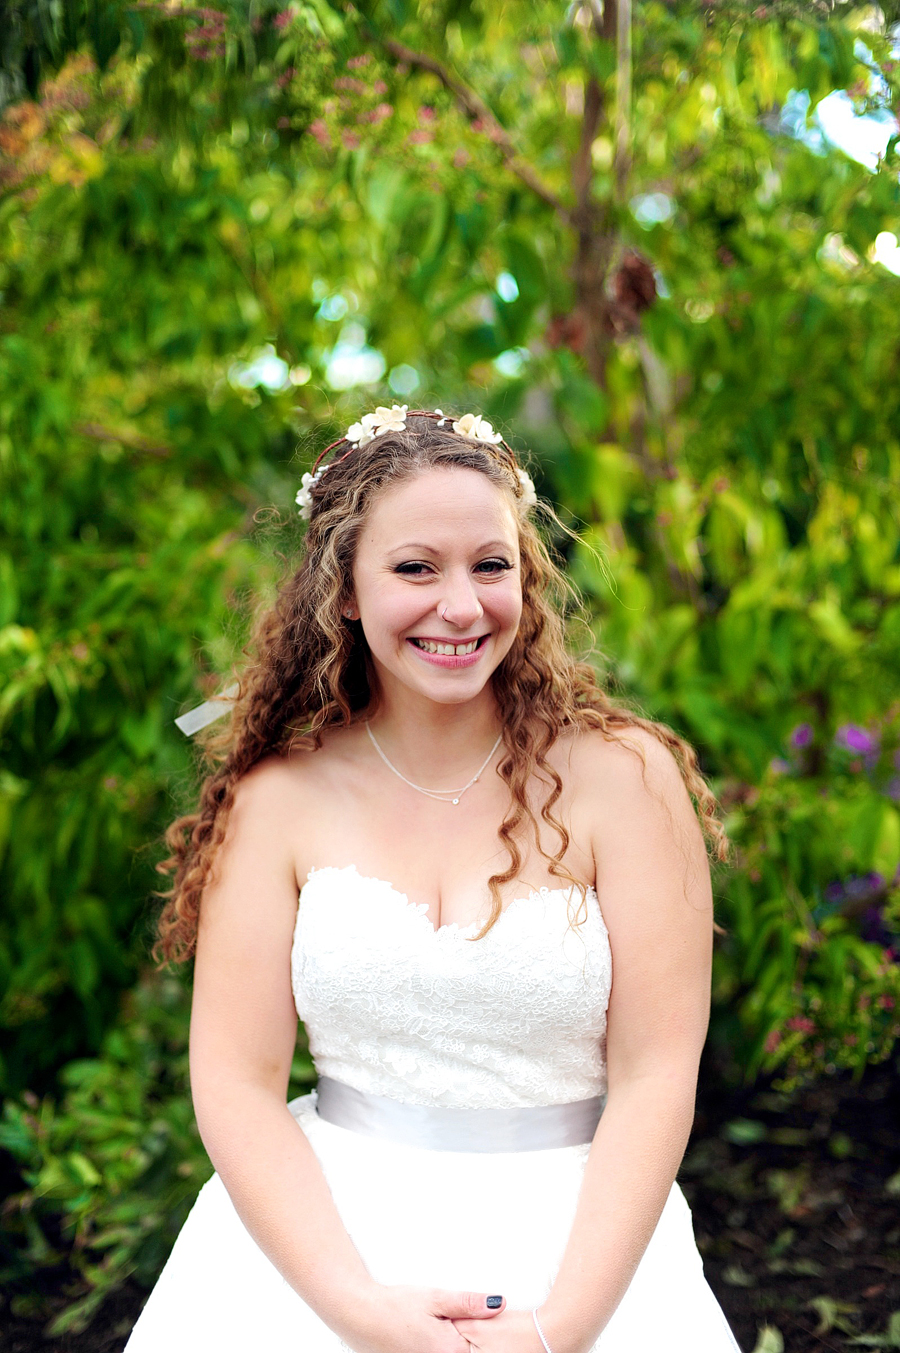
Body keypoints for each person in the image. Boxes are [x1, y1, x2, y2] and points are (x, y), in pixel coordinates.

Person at [125, 407, 742, 1353]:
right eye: (416, 568)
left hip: (581, 1249)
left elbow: (658, 1072)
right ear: (345, 591)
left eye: (490, 566)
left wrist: (559, 1327)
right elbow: (235, 1082)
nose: (461, 606)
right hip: (322, 1256)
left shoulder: (626, 779)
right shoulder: (278, 798)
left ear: (526, 582)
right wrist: (359, 1311)